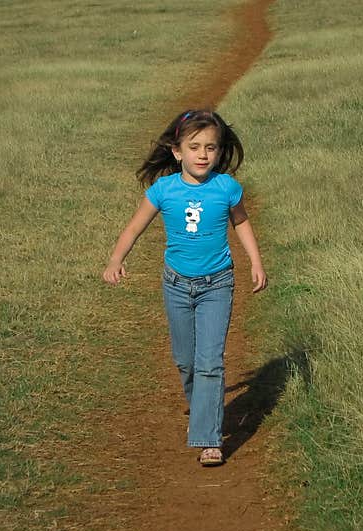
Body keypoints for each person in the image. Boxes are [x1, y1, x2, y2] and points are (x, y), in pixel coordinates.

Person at [102, 109, 267, 466]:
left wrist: (255, 261)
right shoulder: (164, 190)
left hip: (217, 284)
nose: (203, 154)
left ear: (219, 152)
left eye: (211, 147)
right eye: (194, 147)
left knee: (209, 362)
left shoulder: (226, 188)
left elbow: (241, 224)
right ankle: (202, 406)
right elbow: (133, 229)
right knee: (186, 362)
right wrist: (116, 259)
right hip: (176, 285)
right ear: (177, 152)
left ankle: (209, 438)